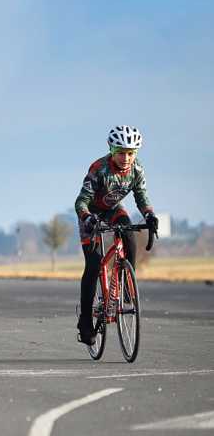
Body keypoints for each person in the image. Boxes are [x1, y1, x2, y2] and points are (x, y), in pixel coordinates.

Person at [75, 125, 158, 345]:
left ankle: (127, 286)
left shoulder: (137, 169)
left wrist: (150, 215)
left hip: (112, 209)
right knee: (93, 264)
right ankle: (85, 322)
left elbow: (141, 196)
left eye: (131, 153)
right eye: (121, 152)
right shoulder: (99, 168)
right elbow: (80, 201)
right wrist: (87, 218)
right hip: (90, 213)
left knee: (129, 233)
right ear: (112, 149)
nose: (126, 158)